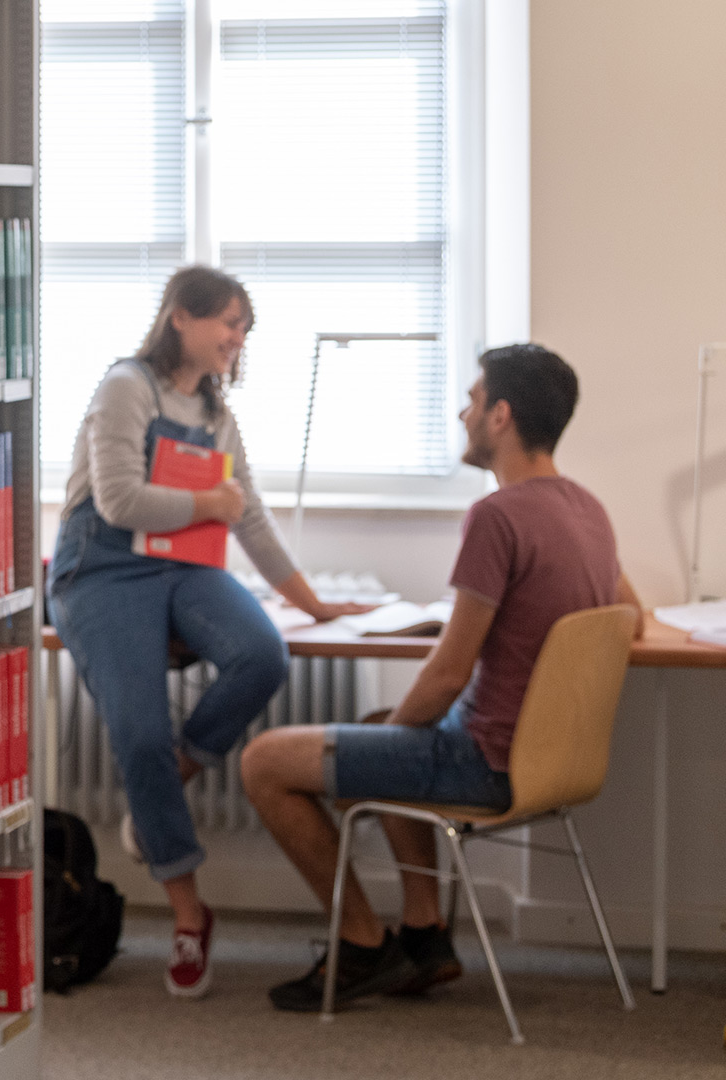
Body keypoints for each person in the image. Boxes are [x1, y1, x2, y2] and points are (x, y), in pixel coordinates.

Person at [240, 343, 644, 1011]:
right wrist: (391, 741)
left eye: (473, 399)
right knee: (377, 731)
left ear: (501, 416)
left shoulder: (497, 517)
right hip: (551, 761)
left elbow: (448, 673)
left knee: (262, 761)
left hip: (483, 762)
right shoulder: (587, 509)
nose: (463, 412)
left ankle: (364, 945)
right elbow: (629, 613)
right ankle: (425, 938)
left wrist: (396, 744)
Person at [47, 265, 369, 999]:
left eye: (244, 327)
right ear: (179, 319)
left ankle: (173, 776)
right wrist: (208, 503)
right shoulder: (126, 386)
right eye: (228, 321)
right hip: (102, 569)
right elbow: (122, 501)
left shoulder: (217, 414)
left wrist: (311, 603)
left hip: (183, 567)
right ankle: (190, 914)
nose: (237, 337)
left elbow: (245, 513)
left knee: (263, 654)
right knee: (136, 732)